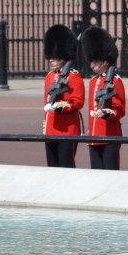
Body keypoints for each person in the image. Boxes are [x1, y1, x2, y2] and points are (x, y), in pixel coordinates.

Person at [80, 26, 126, 170]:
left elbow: (119, 110)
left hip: (109, 134)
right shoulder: (94, 81)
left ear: (105, 61)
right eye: (91, 61)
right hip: (93, 135)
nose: (92, 65)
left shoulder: (116, 81)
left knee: (110, 173)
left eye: (96, 61)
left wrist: (107, 114)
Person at [42, 24, 85, 168]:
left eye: (54, 57)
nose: (51, 60)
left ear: (62, 56)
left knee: (66, 168)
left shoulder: (74, 77)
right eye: (50, 57)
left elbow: (77, 102)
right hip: (50, 129)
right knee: (52, 168)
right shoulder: (49, 77)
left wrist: (59, 106)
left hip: (68, 130)